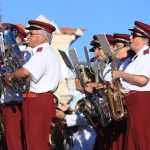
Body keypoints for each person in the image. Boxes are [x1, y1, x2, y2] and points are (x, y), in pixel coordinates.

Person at [3, 20, 61, 150]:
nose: (27, 37)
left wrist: (11, 76)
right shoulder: (42, 53)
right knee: (32, 143)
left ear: (42, 37)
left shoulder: (42, 53)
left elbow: (24, 72)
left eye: (31, 34)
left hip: (38, 101)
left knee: (36, 145)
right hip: (35, 100)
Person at [112, 21, 150, 150]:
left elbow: (142, 80)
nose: (130, 38)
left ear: (145, 40)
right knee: (133, 143)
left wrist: (120, 74)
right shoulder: (138, 58)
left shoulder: (147, 56)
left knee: (142, 142)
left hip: (142, 102)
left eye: (134, 35)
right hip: (134, 103)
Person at [0, 23, 29, 150]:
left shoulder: (24, 53)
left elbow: (22, 76)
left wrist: (7, 74)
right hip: (7, 104)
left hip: (16, 102)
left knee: (16, 143)